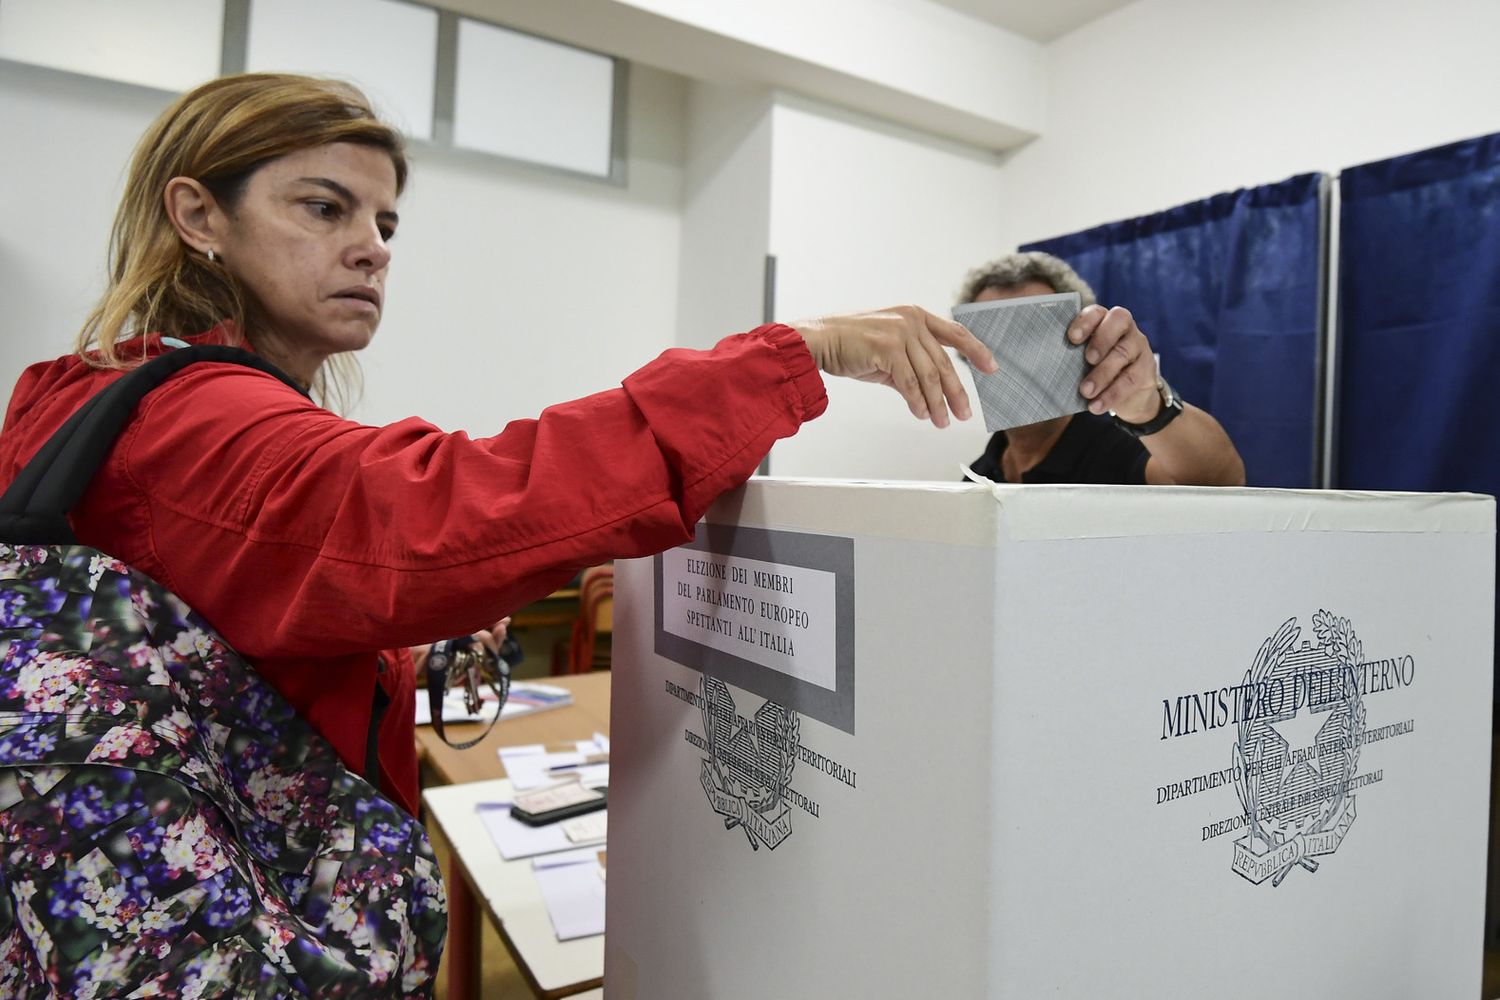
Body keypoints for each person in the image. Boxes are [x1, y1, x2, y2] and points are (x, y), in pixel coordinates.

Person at [0, 74, 995, 995]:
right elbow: (436, 512)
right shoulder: (192, 423)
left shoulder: (89, 395)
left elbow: (213, 624)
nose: (373, 246)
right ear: (198, 215)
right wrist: (795, 353)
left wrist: (391, 653)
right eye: (324, 207)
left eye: (385, 221)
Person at [958, 251, 1245, 486]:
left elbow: (1220, 484)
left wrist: (1149, 408)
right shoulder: (977, 477)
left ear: (1080, 340)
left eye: (1037, 332)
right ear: (967, 355)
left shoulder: (1119, 447)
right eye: (993, 338)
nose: (1019, 356)